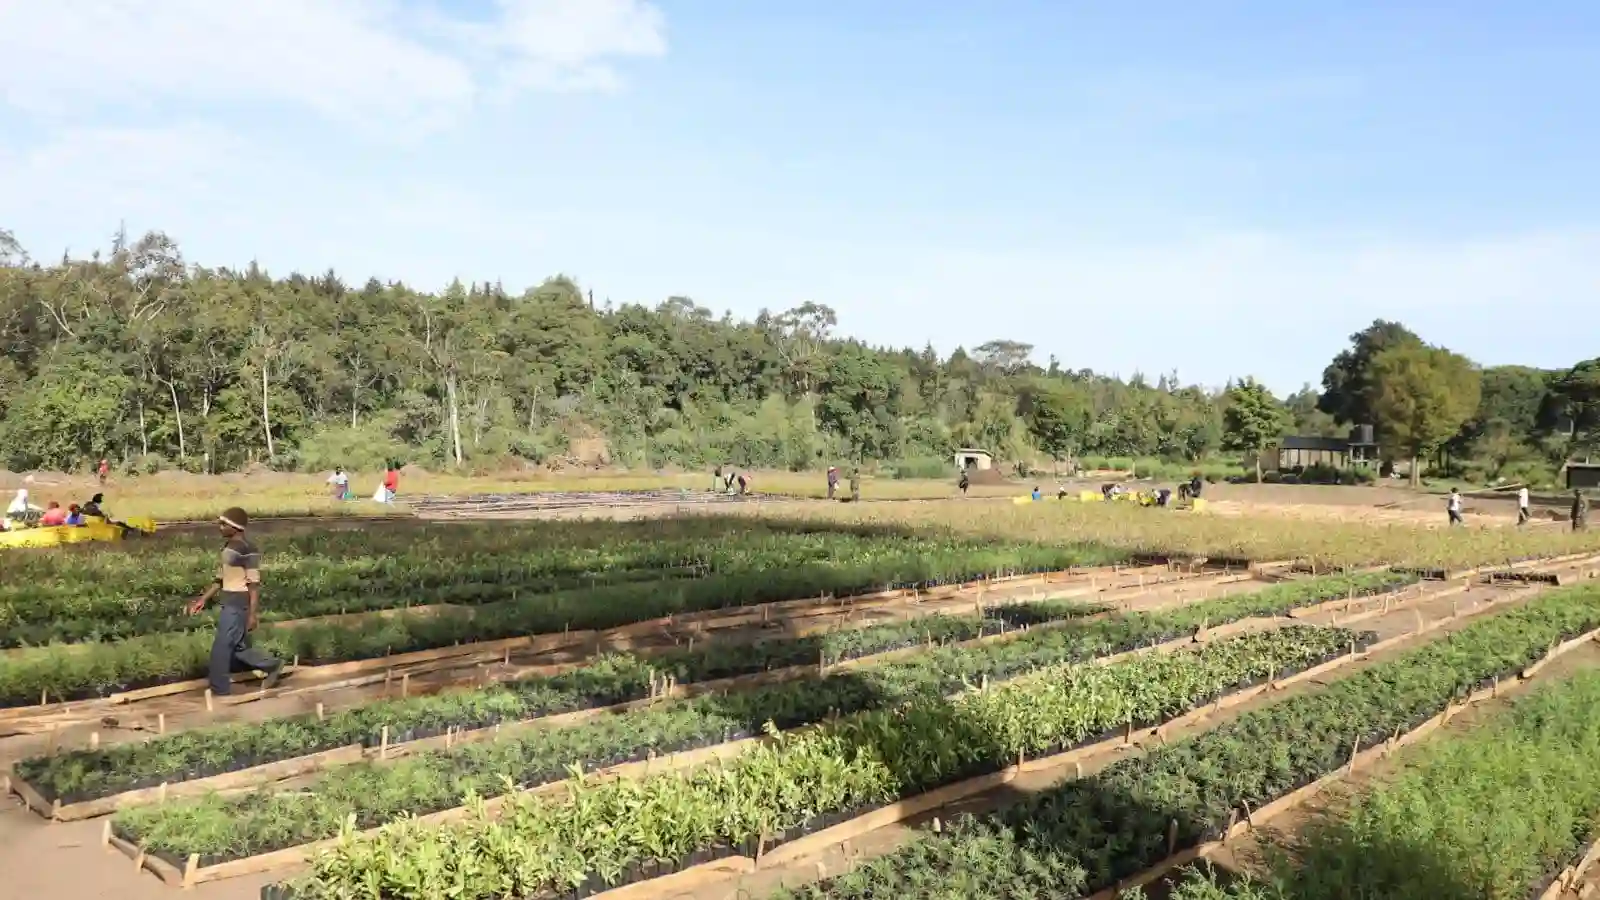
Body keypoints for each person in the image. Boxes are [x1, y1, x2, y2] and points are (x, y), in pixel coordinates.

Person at [185, 507, 285, 695]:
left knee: (221, 648)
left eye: (224, 524)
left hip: (238, 603)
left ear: (236, 527)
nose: (220, 527)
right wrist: (202, 599)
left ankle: (220, 691)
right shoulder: (229, 548)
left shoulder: (247, 550)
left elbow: (253, 584)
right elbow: (222, 578)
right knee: (237, 648)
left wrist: (252, 614)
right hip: (229, 600)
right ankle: (272, 665)